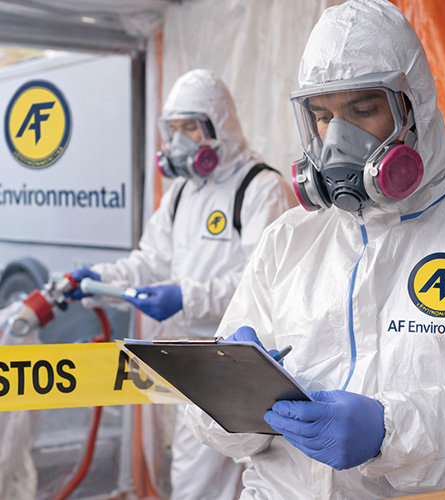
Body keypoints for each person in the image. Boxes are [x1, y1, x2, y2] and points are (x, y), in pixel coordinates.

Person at [184, 1, 445, 499]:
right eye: (322, 116)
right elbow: (217, 432)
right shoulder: (289, 239)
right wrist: (230, 387)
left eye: (362, 110)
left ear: (415, 106)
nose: (337, 140)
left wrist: (393, 432)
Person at [68, 68, 297, 500]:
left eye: (189, 127)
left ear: (219, 125)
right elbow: (152, 261)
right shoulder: (181, 194)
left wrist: (186, 297)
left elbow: (267, 283)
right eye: (173, 129)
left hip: (243, 365)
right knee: (200, 479)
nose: (179, 141)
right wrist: (103, 278)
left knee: (237, 482)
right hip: (192, 362)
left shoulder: (260, 188)